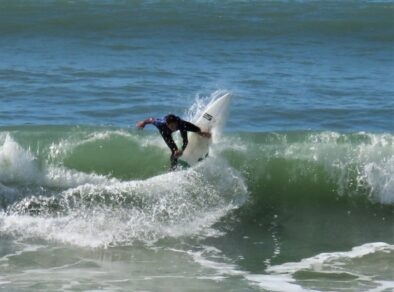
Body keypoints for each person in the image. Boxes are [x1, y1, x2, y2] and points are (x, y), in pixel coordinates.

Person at [136, 114, 211, 169]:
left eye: (175, 125)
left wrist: (182, 150)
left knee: (198, 129)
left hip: (180, 123)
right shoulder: (160, 124)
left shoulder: (180, 124)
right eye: (171, 126)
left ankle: (200, 133)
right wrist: (143, 122)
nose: (174, 128)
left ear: (176, 123)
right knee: (174, 151)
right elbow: (151, 119)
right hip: (166, 133)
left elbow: (185, 140)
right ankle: (173, 167)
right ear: (167, 124)